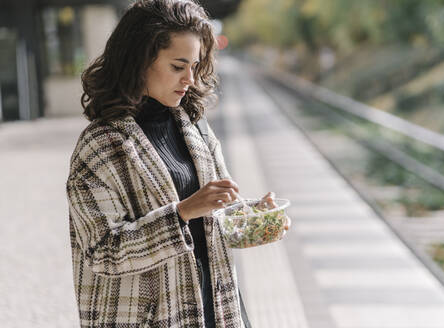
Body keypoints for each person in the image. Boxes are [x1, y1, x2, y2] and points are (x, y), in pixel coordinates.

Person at [66, 0, 290, 327]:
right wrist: (182, 212)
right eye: (177, 66)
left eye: (195, 66)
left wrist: (255, 216)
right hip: (146, 317)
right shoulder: (100, 146)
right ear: (139, 61)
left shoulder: (194, 126)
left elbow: (216, 215)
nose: (189, 78)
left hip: (213, 305)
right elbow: (102, 252)